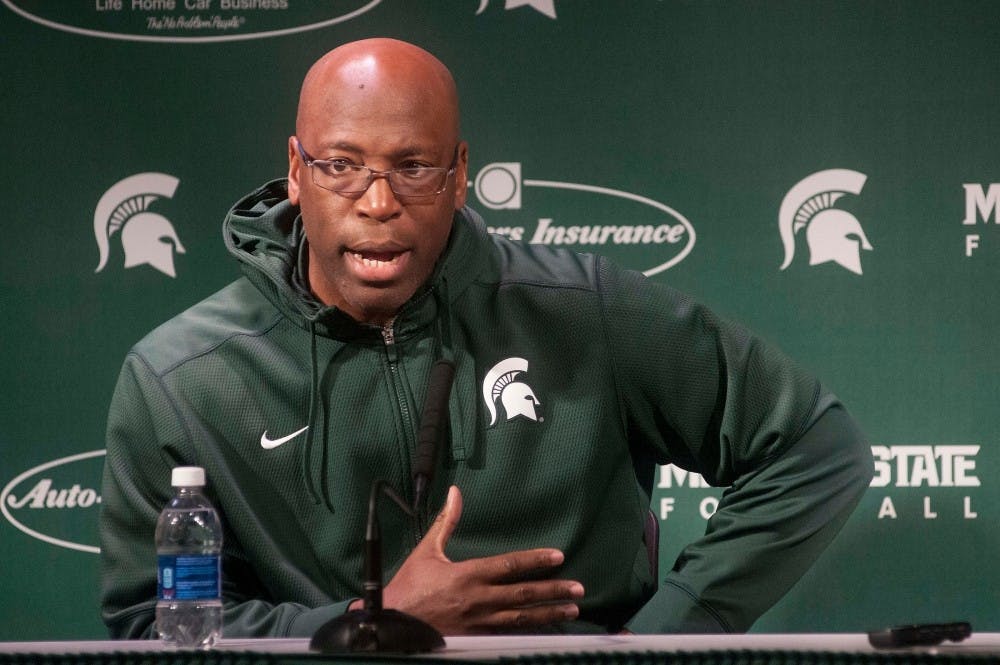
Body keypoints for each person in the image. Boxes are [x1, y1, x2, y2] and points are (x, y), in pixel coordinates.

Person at [99, 37, 872, 638]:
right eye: (341, 165)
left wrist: (666, 635)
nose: (377, 202)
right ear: (295, 171)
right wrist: (369, 626)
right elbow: (152, 626)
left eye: (413, 167)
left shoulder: (580, 311)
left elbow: (814, 443)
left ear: (461, 173)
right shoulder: (183, 377)